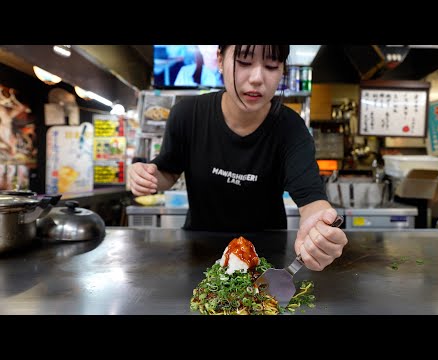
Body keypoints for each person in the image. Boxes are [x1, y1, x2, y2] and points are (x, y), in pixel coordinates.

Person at [128, 45, 348, 272]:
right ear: (221, 60)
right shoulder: (187, 114)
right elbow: (169, 171)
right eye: (244, 62)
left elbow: (312, 199)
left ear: (282, 69)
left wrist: (319, 227)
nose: (257, 78)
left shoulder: (290, 127)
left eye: (272, 66)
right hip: (198, 253)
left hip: (266, 260)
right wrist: (148, 177)